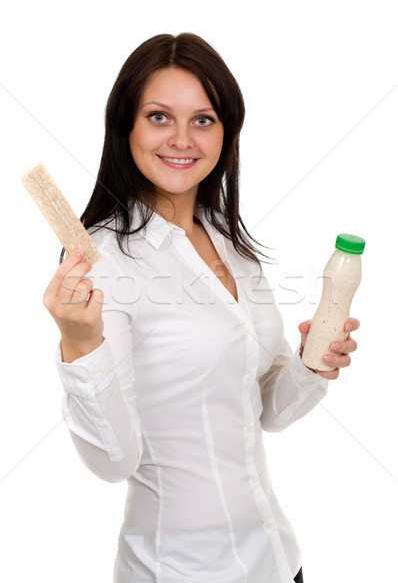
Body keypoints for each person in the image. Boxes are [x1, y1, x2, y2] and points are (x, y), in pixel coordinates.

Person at [43, 33, 359, 583]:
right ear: (126, 127)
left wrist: (311, 362)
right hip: (180, 571)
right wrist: (79, 342)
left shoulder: (230, 243)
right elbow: (112, 463)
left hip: (279, 561)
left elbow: (269, 412)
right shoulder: (104, 261)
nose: (182, 139)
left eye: (204, 119)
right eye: (160, 116)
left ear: (226, 132)